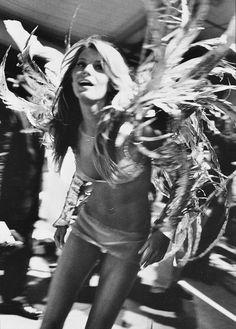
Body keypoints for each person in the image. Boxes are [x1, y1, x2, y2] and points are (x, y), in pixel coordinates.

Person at [38, 36, 171, 329]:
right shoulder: (71, 127)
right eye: (81, 64)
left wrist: (166, 229)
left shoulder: (137, 128)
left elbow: (183, 174)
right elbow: (83, 175)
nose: (86, 71)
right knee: (50, 323)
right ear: (71, 75)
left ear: (112, 80)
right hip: (86, 227)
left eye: (99, 66)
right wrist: (64, 217)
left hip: (129, 241)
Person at [0, 102, 44, 320]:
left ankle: (13, 298)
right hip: (8, 197)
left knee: (21, 247)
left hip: (24, 195)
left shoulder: (26, 108)